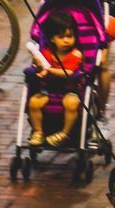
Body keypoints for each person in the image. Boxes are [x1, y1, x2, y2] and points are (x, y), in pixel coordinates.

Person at [26, 9, 85, 149]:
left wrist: (49, 70)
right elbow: (40, 69)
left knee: (71, 103)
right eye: (61, 37)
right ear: (52, 38)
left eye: (70, 36)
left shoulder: (76, 54)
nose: (66, 40)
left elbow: (69, 73)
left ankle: (65, 134)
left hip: (70, 91)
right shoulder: (46, 53)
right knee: (34, 102)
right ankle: (38, 131)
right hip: (49, 91)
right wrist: (38, 64)